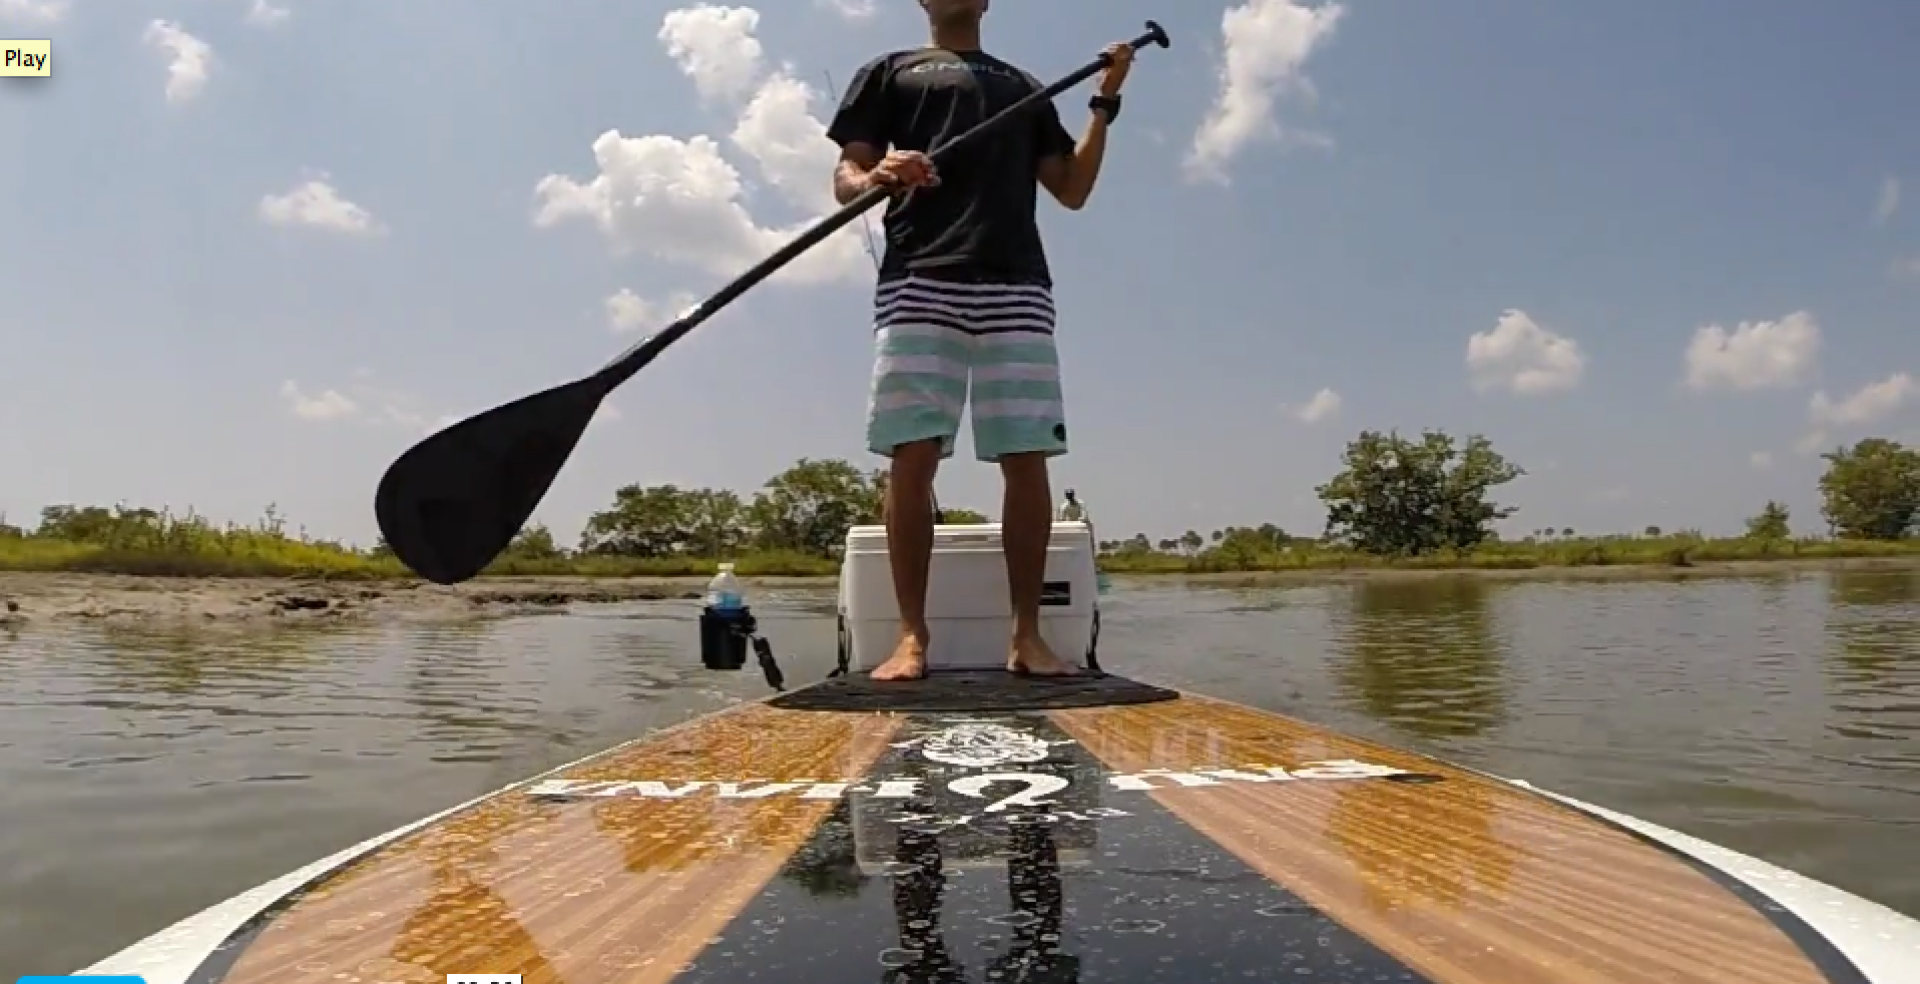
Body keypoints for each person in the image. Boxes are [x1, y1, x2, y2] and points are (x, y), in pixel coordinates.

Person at [826, 0, 1135, 682]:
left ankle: (1027, 636)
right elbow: (846, 180)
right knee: (913, 455)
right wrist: (878, 174)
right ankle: (911, 637)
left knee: (1027, 456)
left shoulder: (1024, 87)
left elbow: (1072, 188)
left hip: (1017, 283)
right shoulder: (889, 70)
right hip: (919, 279)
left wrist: (1103, 104)